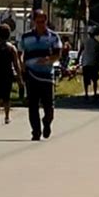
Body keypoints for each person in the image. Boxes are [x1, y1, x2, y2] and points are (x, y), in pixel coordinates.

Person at [18, 10, 62, 141]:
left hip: (47, 76)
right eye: (38, 22)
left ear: (46, 21)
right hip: (31, 75)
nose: (41, 24)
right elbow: (20, 52)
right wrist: (22, 64)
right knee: (33, 105)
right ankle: (35, 131)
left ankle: (47, 122)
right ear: (34, 22)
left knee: (49, 106)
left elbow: (58, 53)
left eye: (43, 22)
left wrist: (49, 59)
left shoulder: (53, 36)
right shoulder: (26, 37)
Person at [78, 25, 99, 100]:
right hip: (93, 63)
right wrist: (98, 63)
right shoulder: (96, 43)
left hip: (85, 62)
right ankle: (94, 92)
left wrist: (78, 59)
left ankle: (86, 93)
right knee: (94, 79)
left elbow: (80, 51)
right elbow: (98, 54)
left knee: (85, 79)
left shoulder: (84, 41)